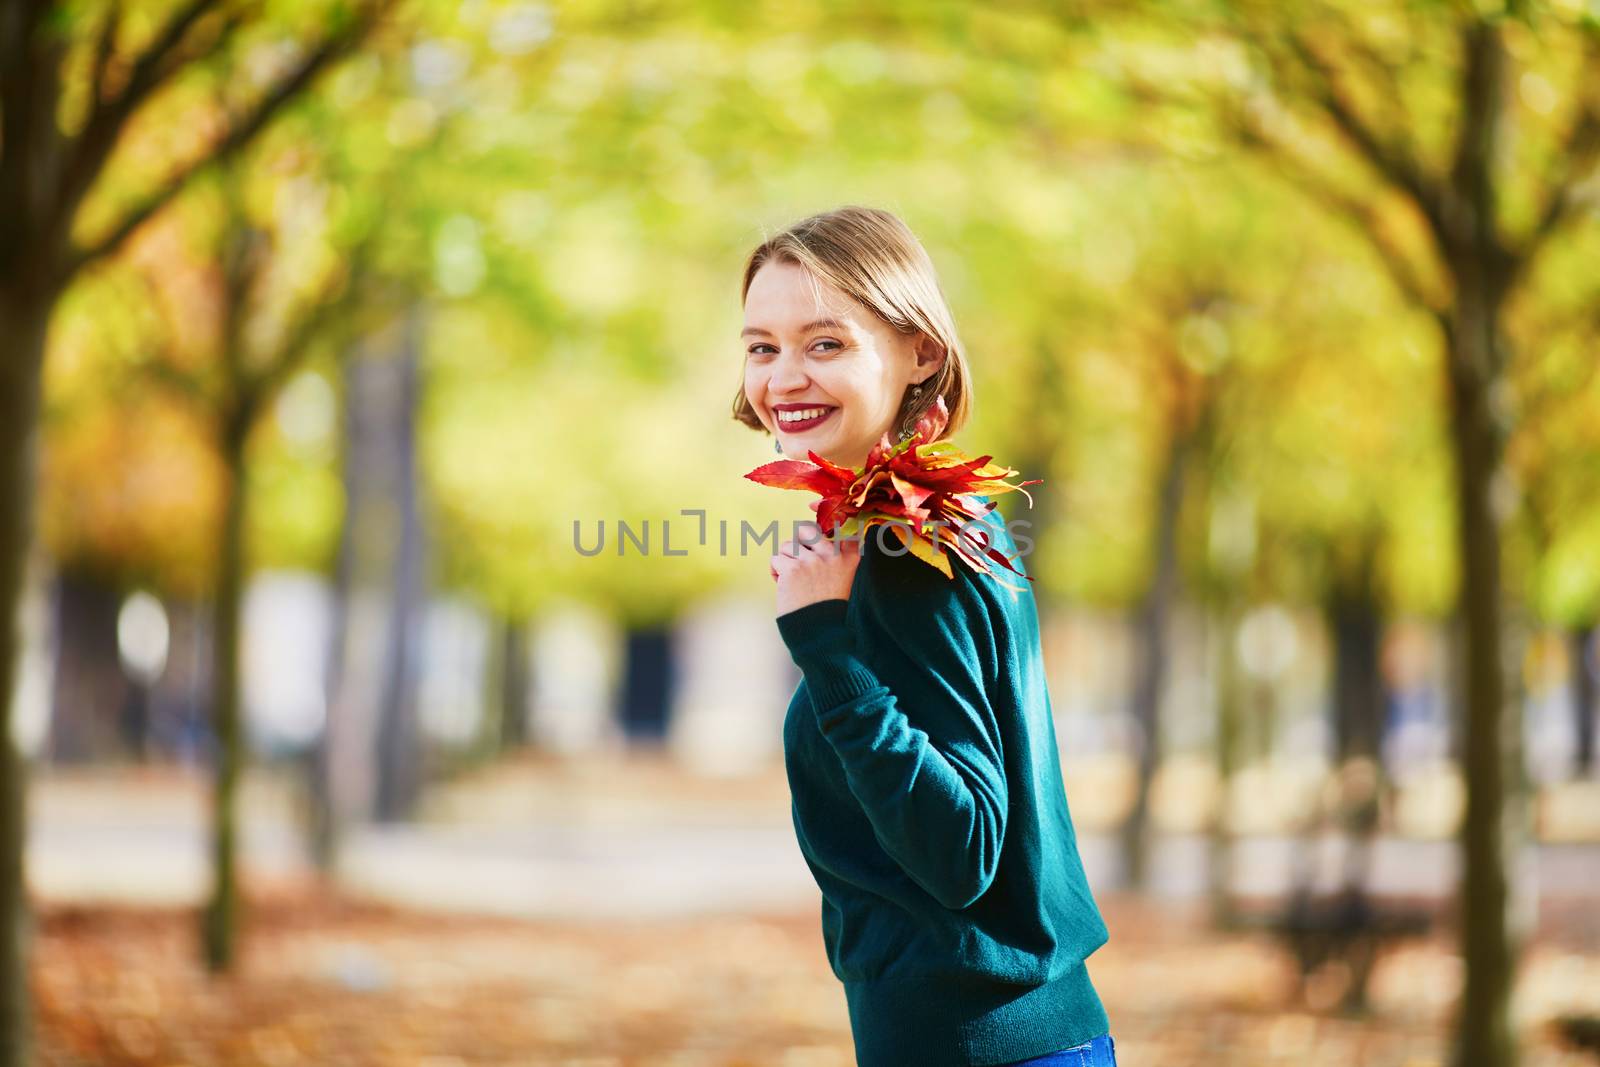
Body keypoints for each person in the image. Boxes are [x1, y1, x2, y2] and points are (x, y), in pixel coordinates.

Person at [732, 205, 1119, 1067]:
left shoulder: (908, 552)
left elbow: (964, 849)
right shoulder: (939, 519)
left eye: (825, 343)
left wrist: (826, 646)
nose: (784, 376)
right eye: (763, 347)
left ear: (921, 354)